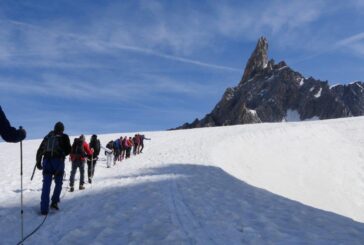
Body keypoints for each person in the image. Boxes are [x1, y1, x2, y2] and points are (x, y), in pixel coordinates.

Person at [36, 122, 71, 215]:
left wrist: (38, 162)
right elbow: (68, 150)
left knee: (46, 184)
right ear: (62, 129)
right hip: (58, 162)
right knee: (58, 182)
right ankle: (54, 202)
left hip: (47, 161)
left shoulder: (48, 136)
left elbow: (40, 149)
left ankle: (44, 209)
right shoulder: (64, 136)